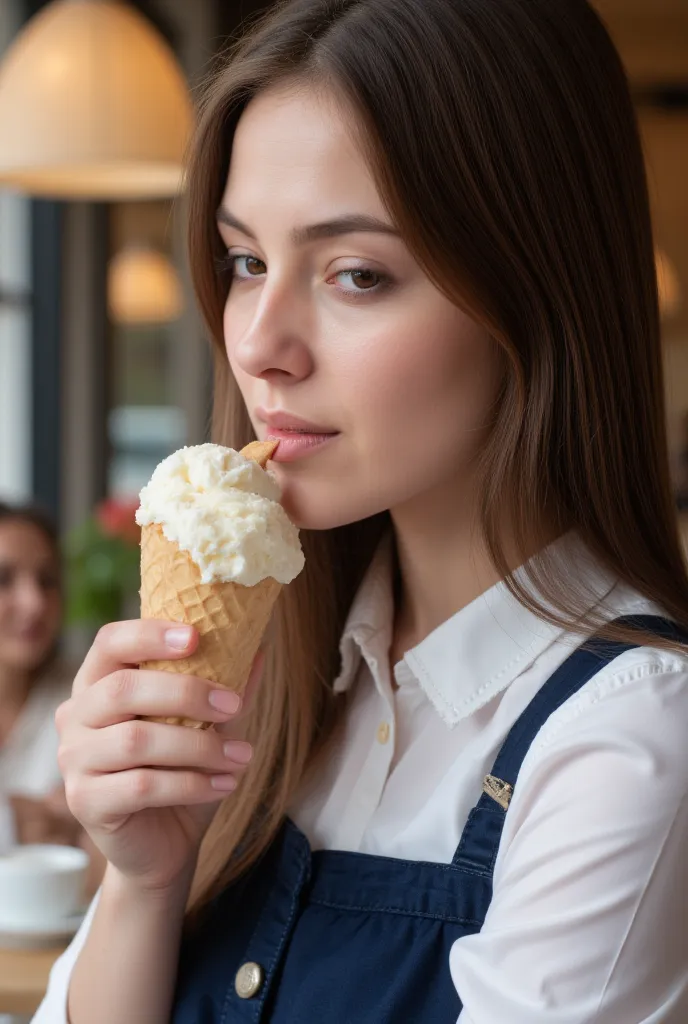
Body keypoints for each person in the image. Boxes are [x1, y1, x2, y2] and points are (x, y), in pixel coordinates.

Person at [34, 1, 688, 1021]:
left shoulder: (632, 737)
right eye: (246, 260)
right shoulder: (282, 674)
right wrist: (146, 877)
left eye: (355, 274)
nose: (259, 342)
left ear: (533, 295)